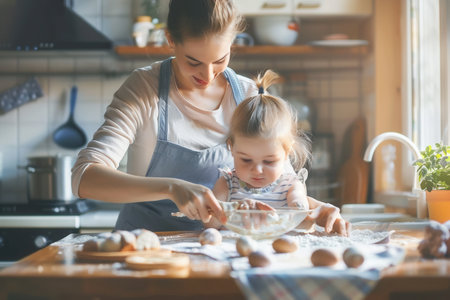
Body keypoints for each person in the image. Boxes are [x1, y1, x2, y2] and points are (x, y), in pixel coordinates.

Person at [71, 0, 349, 235]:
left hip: (221, 255)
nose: (207, 75)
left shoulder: (250, 94)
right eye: (193, 62)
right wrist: (171, 188)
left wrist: (317, 209)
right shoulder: (144, 90)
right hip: (146, 248)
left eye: (220, 60)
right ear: (170, 40)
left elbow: (280, 184)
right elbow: (84, 178)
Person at [209, 70, 350, 235]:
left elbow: (301, 215)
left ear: (286, 152)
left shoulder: (290, 185)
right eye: (246, 160)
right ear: (231, 148)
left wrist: (305, 209)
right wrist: (232, 210)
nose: (257, 170)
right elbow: (210, 223)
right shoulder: (226, 184)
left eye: (269, 161)